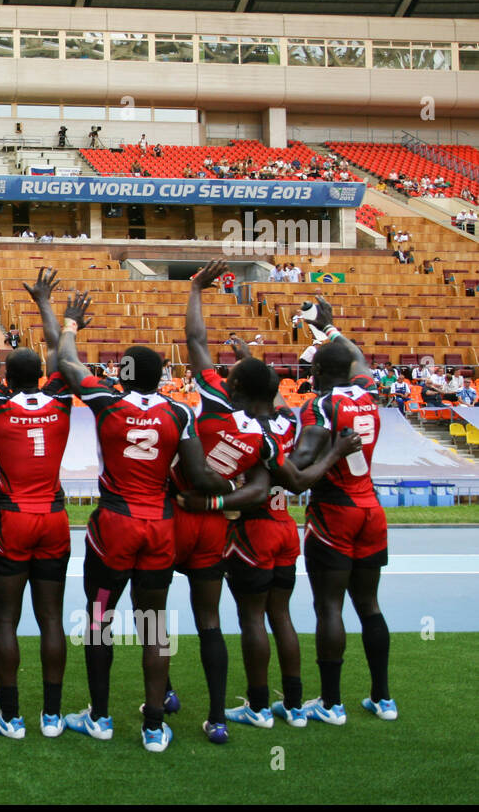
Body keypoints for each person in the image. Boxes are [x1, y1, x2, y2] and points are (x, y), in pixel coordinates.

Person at [172, 266, 360, 742]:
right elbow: (293, 479)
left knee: (246, 618)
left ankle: (253, 704)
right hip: (285, 530)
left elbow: (196, 342)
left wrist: (196, 290)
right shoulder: (285, 426)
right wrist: (336, 452)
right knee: (283, 616)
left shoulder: (220, 404)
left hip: (245, 530)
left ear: (234, 388)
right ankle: (294, 705)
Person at [51, 290, 232, 753]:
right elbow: (198, 476)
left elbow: (67, 363)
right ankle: (154, 725)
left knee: (99, 620)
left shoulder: (106, 402)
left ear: (123, 374)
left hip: (115, 527)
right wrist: (239, 490)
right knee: (153, 624)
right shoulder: (180, 411)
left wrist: (70, 323)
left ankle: (100, 717)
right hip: (160, 529)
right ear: (161, 376)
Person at [0, 269, 74, 739]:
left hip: (11, 520)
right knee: (52, 618)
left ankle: (10, 718)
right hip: (53, 518)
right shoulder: (63, 400)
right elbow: (62, 358)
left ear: (7, 377)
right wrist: (49, 306)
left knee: (5, 619)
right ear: (44, 377)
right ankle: (51, 716)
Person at [288, 297, 396, 725]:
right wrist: (329, 328)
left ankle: (331, 703)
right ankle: (382, 698)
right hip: (371, 508)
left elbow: (300, 466)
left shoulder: (319, 406)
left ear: (316, 374)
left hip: (335, 511)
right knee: (369, 604)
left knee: (329, 607)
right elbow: (359, 356)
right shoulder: (369, 394)